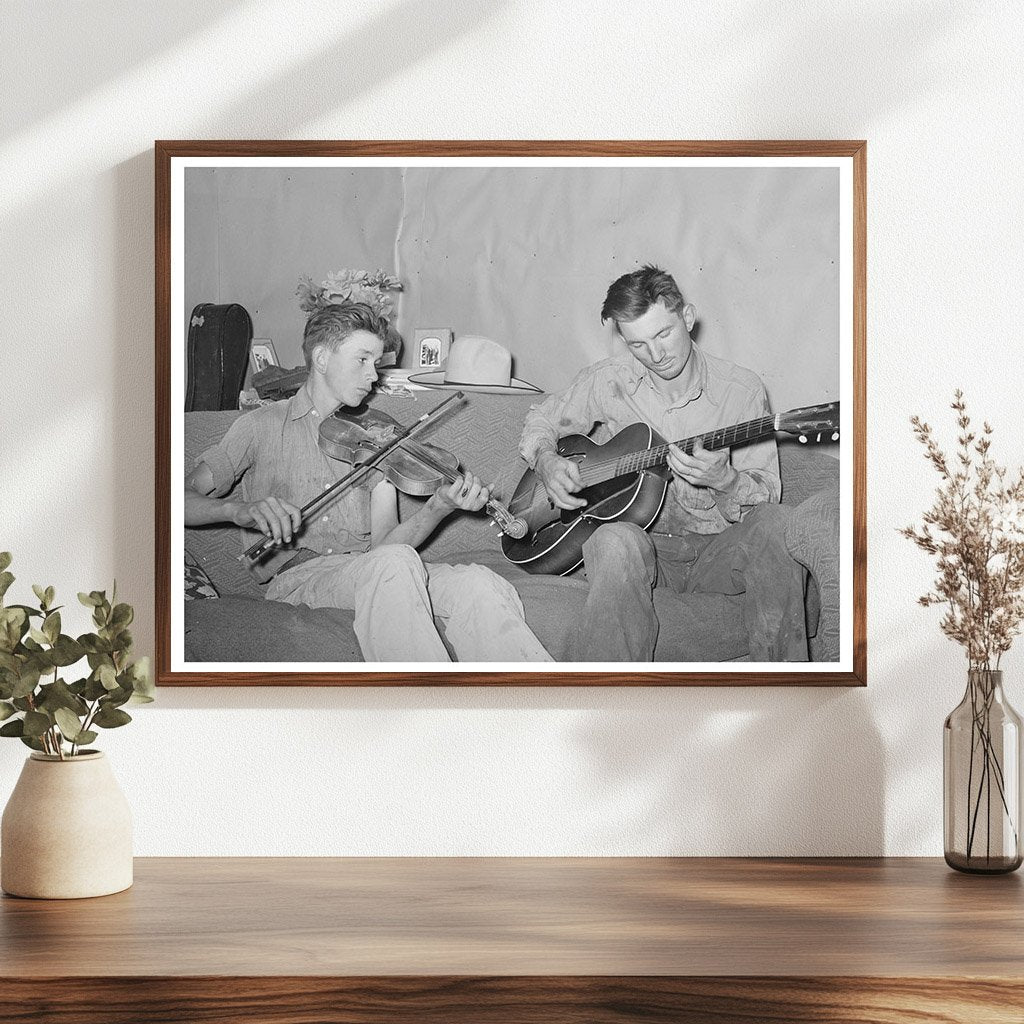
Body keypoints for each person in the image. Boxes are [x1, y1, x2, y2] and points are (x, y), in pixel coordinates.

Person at [185, 302, 552, 663]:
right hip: (300, 579)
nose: (373, 375)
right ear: (322, 358)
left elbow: (386, 546)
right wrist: (239, 510)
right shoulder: (260, 426)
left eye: (376, 363)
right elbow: (176, 499)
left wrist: (439, 507)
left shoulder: (375, 435)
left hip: (372, 569)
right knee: (392, 565)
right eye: (362, 360)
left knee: (479, 583)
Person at [518, 265, 808, 662]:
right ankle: (606, 708)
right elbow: (541, 419)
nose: (655, 355)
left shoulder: (741, 390)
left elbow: (767, 493)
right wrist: (547, 460)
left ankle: (790, 695)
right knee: (611, 539)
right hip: (645, 548)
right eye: (638, 344)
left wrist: (726, 481)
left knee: (776, 523)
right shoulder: (608, 380)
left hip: (715, 552)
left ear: (687, 317)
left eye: (663, 334)